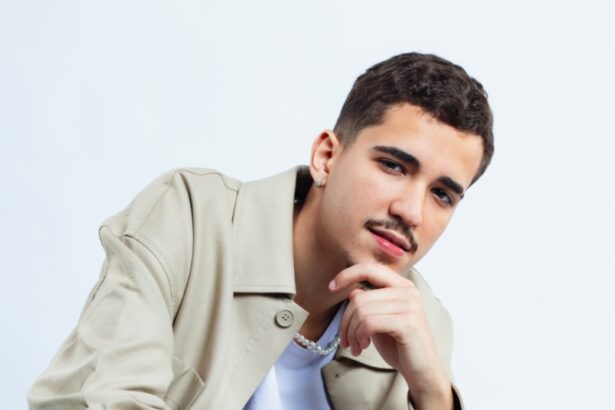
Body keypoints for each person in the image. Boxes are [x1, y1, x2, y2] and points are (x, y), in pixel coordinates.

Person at [28, 52, 494, 410]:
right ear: (326, 157)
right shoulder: (191, 219)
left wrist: (433, 393)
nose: (410, 211)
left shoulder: (419, 321)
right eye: (393, 166)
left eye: (442, 194)